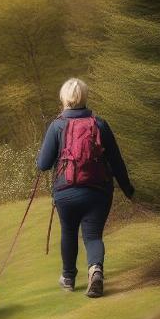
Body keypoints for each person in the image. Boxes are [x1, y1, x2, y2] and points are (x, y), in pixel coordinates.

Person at [36, 78, 134, 298]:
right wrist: (128, 190)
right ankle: (95, 269)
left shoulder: (56, 125)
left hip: (66, 192)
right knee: (92, 236)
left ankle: (68, 278)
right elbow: (117, 162)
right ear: (85, 97)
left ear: (63, 98)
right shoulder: (100, 124)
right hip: (98, 191)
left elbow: (43, 164)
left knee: (69, 232)